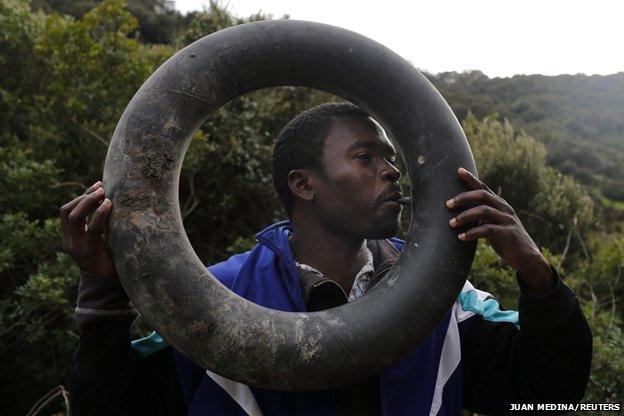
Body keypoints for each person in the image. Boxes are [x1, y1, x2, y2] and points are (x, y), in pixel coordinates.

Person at [63, 103, 592, 415]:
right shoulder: (220, 295)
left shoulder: (444, 296)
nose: (392, 171)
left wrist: (537, 275)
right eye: (366, 157)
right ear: (304, 185)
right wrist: (103, 288)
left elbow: (549, 394)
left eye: (390, 157)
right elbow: (111, 408)